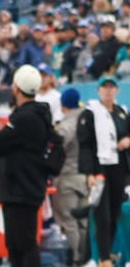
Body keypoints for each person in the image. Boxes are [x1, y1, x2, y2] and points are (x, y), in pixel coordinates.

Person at [0, 65, 51, 267]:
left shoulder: (25, 117)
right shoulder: (38, 115)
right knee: (17, 245)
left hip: (21, 190)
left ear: (16, 88)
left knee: (23, 246)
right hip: (26, 188)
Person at [78, 76, 130, 267]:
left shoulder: (122, 112)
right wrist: (89, 173)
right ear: (99, 90)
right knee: (102, 214)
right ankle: (103, 258)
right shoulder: (91, 113)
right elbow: (85, 145)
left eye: (112, 87)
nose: (108, 91)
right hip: (100, 168)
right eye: (105, 87)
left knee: (115, 211)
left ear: (116, 90)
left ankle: (109, 253)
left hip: (119, 167)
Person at [54, 87, 90, 267]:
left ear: (63, 104)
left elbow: (57, 147)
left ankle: (79, 259)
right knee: (83, 221)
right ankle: (87, 258)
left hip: (67, 177)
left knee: (69, 221)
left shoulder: (66, 125)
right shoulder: (87, 119)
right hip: (85, 178)